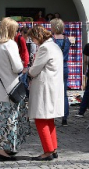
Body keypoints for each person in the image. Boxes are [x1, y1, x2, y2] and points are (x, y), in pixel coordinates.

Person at [0, 18, 31, 161]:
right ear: (10, 30)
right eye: (14, 30)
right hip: (9, 90)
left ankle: (2, 149)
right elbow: (17, 67)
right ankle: (1, 151)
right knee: (8, 121)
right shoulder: (10, 45)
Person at [27, 26, 64, 160]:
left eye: (33, 38)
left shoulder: (44, 48)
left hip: (44, 87)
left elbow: (34, 69)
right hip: (53, 85)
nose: (33, 41)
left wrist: (29, 71)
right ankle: (53, 148)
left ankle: (48, 150)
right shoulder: (54, 46)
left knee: (40, 118)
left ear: (38, 36)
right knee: (49, 119)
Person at [50, 19, 71, 126]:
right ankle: (65, 117)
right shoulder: (67, 40)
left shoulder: (51, 40)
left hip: (53, 67)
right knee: (64, 94)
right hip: (64, 66)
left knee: (52, 93)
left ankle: (51, 116)